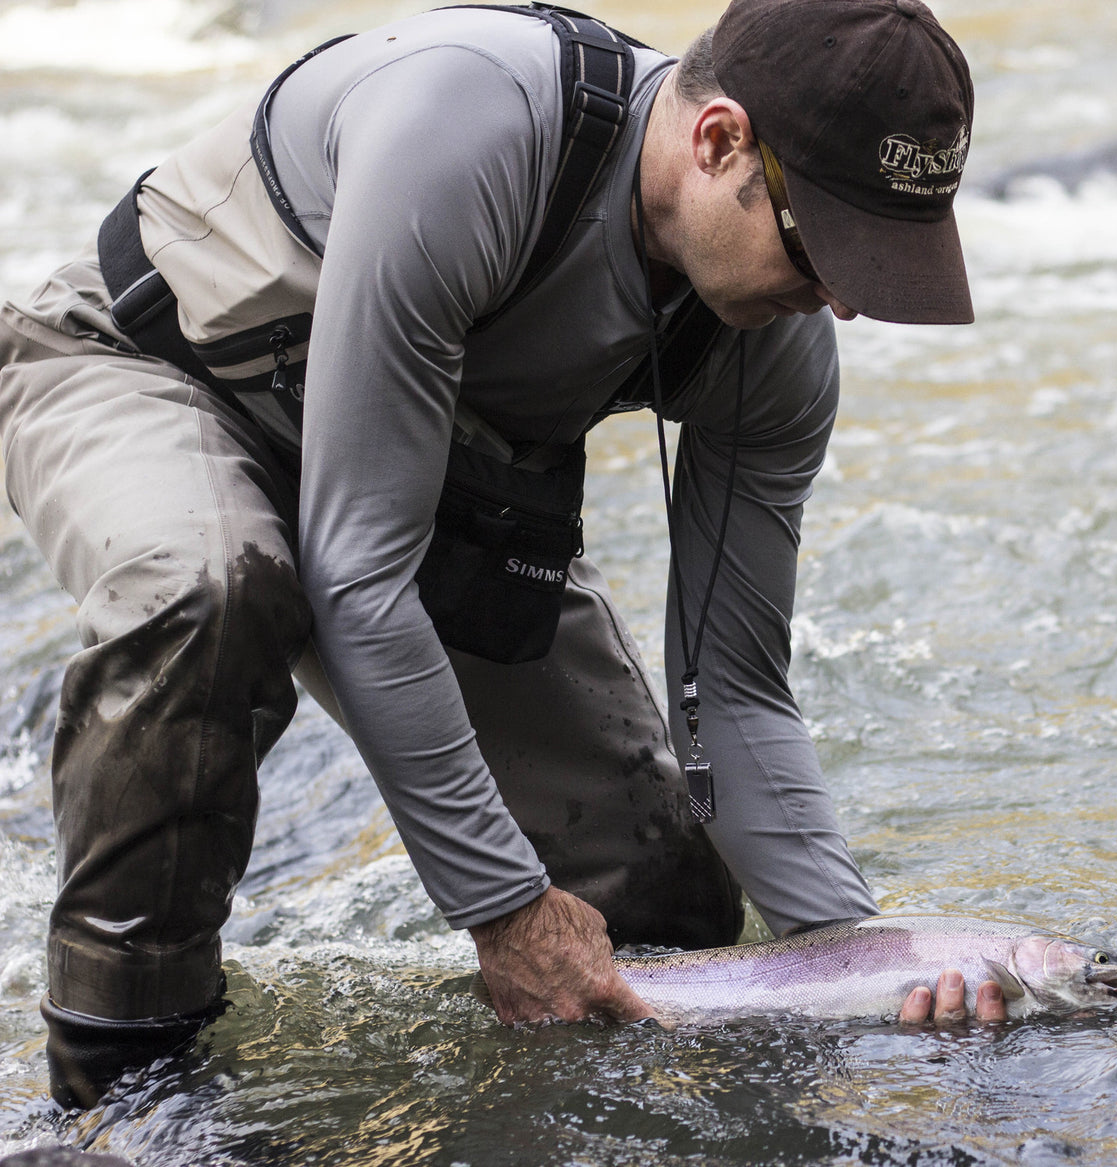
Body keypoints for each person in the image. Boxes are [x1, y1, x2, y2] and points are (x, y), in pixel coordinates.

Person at [0, 0, 997, 1109]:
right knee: (215, 586)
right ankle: (126, 1096)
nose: (846, 303)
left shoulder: (778, 350)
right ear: (717, 142)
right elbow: (359, 577)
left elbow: (738, 694)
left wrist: (855, 962)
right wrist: (505, 908)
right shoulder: (472, 124)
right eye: (827, 249)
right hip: (153, 368)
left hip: (417, 462)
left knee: (658, 882)